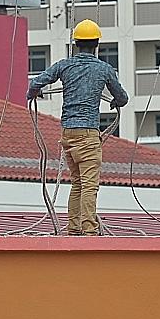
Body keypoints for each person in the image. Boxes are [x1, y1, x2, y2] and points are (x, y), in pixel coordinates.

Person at [27, 19, 129, 236]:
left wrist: (32, 94)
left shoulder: (65, 65)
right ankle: (89, 230)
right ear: (96, 44)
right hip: (88, 133)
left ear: (76, 44)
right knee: (89, 185)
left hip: (68, 133)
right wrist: (115, 103)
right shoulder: (104, 69)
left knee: (77, 183)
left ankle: (74, 228)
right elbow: (122, 97)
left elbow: (36, 82)